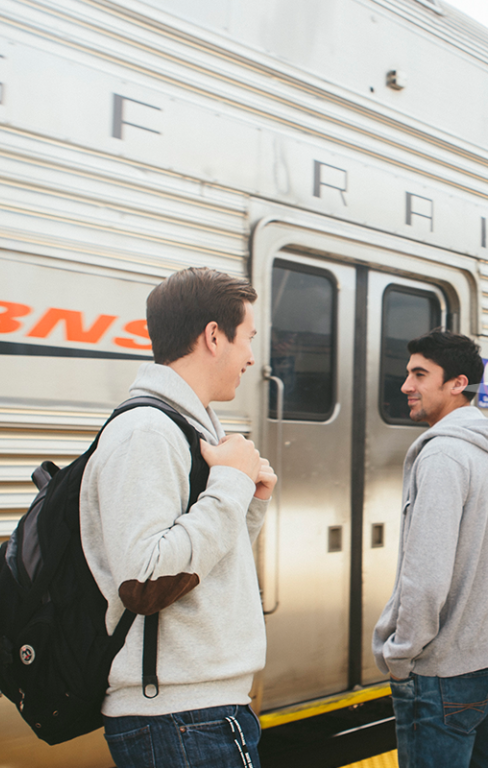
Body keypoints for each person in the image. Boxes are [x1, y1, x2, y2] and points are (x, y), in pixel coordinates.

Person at [80, 267, 276, 768]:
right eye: (247, 338)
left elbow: (199, 567)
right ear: (214, 335)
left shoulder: (187, 426)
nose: (252, 356)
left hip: (196, 712)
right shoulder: (147, 431)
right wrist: (230, 484)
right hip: (177, 719)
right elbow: (146, 577)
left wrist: (247, 500)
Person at [372, 330, 488, 768]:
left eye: (420, 374)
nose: (406, 386)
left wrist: (401, 655)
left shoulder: (444, 457)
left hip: (442, 675)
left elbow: (426, 575)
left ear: (457, 383)